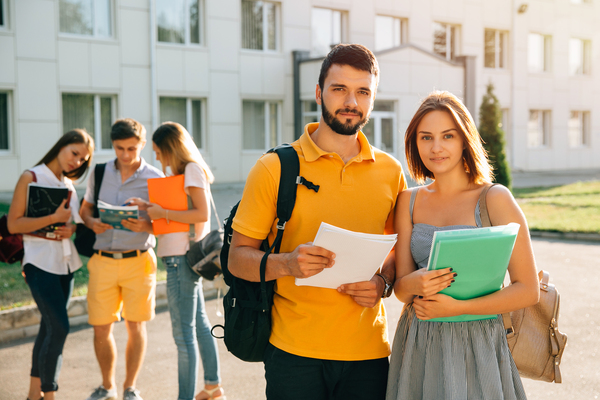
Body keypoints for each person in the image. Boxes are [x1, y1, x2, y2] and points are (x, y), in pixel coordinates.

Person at [228, 43, 406, 400]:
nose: (351, 102)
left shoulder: (391, 172)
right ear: (318, 93)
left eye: (362, 92)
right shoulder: (274, 168)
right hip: (294, 353)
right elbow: (237, 260)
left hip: (368, 354)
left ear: (373, 99)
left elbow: (396, 255)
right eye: (339, 89)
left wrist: (383, 283)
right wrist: (288, 263)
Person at [386, 91, 540, 400]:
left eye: (448, 136)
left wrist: (460, 308)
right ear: (414, 143)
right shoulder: (408, 200)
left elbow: (528, 289)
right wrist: (414, 282)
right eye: (426, 137)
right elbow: (401, 289)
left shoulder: (495, 199)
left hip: (479, 340)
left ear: (464, 139)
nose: (436, 147)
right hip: (419, 339)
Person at [127, 122, 225, 400]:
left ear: (171, 148)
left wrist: (163, 212)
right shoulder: (187, 172)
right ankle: (213, 386)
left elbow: (200, 215)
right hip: (180, 257)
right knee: (200, 326)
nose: (157, 158)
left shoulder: (192, 169)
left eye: (159, 152)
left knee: (183, 337)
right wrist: (150, 210)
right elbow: (182, 214)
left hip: (181, 260)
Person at [7, 129, 94, 400]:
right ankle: (50, 393)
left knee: (49, 327)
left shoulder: (68, 185)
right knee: (60, 327)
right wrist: (53, 218)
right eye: (74, 153)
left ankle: (34, 393)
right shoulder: (31, 177)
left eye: (83, 159)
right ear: (61, 146)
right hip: (38, 263)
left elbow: (69, 224)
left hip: (65, 265)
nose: (77, 162)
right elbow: (13, 224)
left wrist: (68, 228)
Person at [80, 118, 163, 400]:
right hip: (102, 259)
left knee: (135, 325)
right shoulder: (99, 172)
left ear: (142, 145)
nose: (125, 155)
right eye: (119, 148)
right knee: (101, 327)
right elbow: (85, 210)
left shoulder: (155, 177)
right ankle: (107, 387)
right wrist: (92, 223)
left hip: (138, 260)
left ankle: (130, 387)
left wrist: (147, 226)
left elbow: (168, 223)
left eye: (131, 148)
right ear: (112, 145)